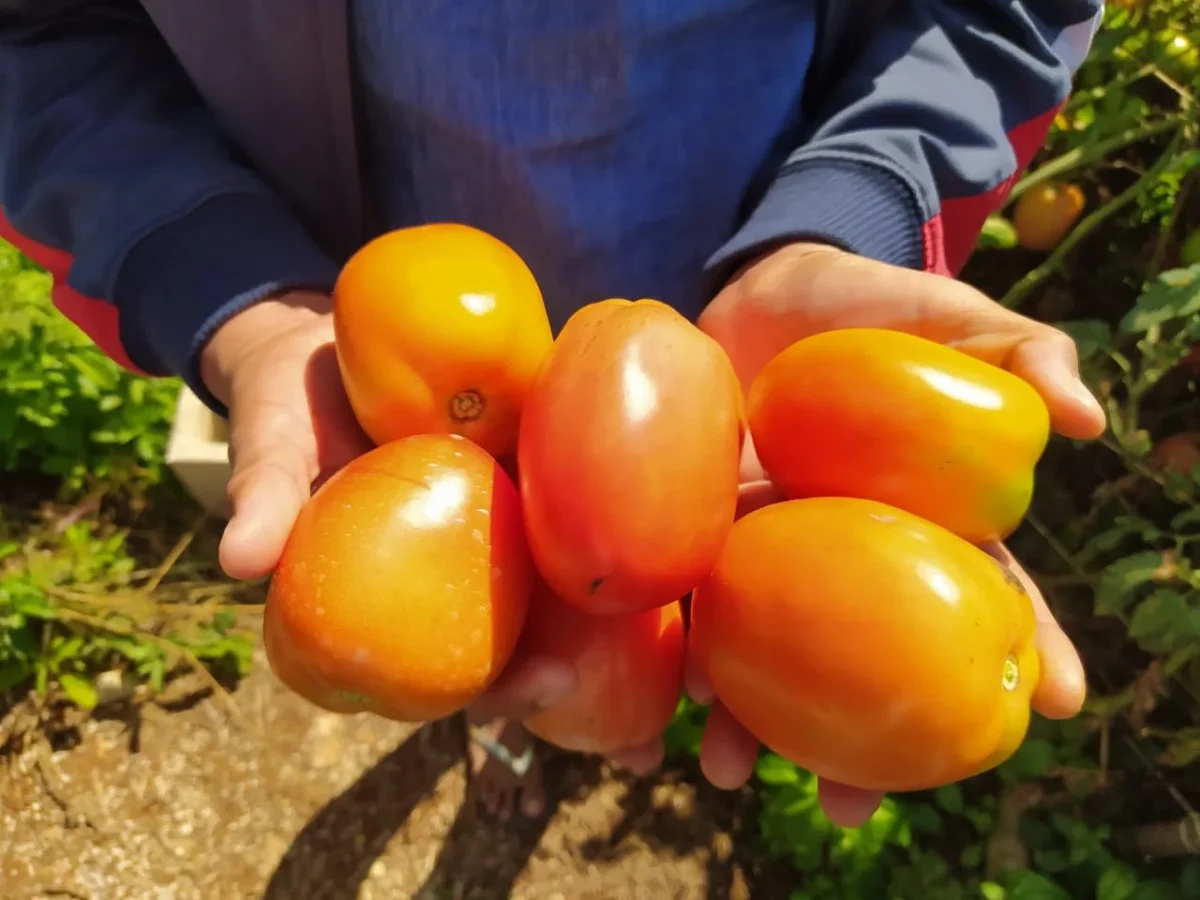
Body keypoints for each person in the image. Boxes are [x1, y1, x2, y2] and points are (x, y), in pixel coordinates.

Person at [0, 0, 1109, 827]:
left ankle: (520, 722)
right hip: (399, 342)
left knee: (558, 642)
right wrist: (230, 283)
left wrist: (855, 200)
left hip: (725, 301)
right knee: (515, 645)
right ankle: (508, 732)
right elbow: (32, 38)